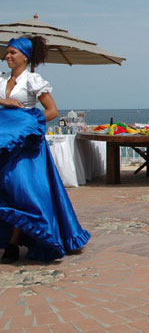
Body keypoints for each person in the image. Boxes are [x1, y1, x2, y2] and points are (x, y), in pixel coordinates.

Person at [0, 36, 90, 263]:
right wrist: (5, 102)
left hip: (27, 148)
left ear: (25, 56)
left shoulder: (32, 80)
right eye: (7, 52)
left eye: (12, 52)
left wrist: (27, 123)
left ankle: (13, 243)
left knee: (23, 192)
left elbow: (51, 112)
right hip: (4, 146)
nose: (7, 56)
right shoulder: (1, 80)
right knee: (5, 192)